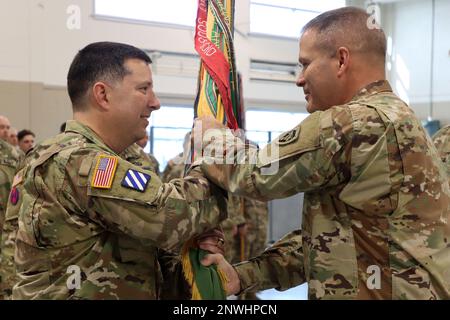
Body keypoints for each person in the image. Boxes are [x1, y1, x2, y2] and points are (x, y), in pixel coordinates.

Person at [195, 7, 450, 299]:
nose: (299, 79)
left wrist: (210, 135)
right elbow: (332, 243)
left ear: (341, 60)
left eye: (305, 64)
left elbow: (256, 173)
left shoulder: (354, 123)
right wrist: (243, 276)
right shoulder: (397, 117)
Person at [10, 42, 227, 300]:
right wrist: (218, 152)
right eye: (143, 89)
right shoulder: (77, 161)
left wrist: (189, 263)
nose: (155, 103)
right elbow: (171, 216)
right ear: (102, 95)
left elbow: (132, 258)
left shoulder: (108, 157)